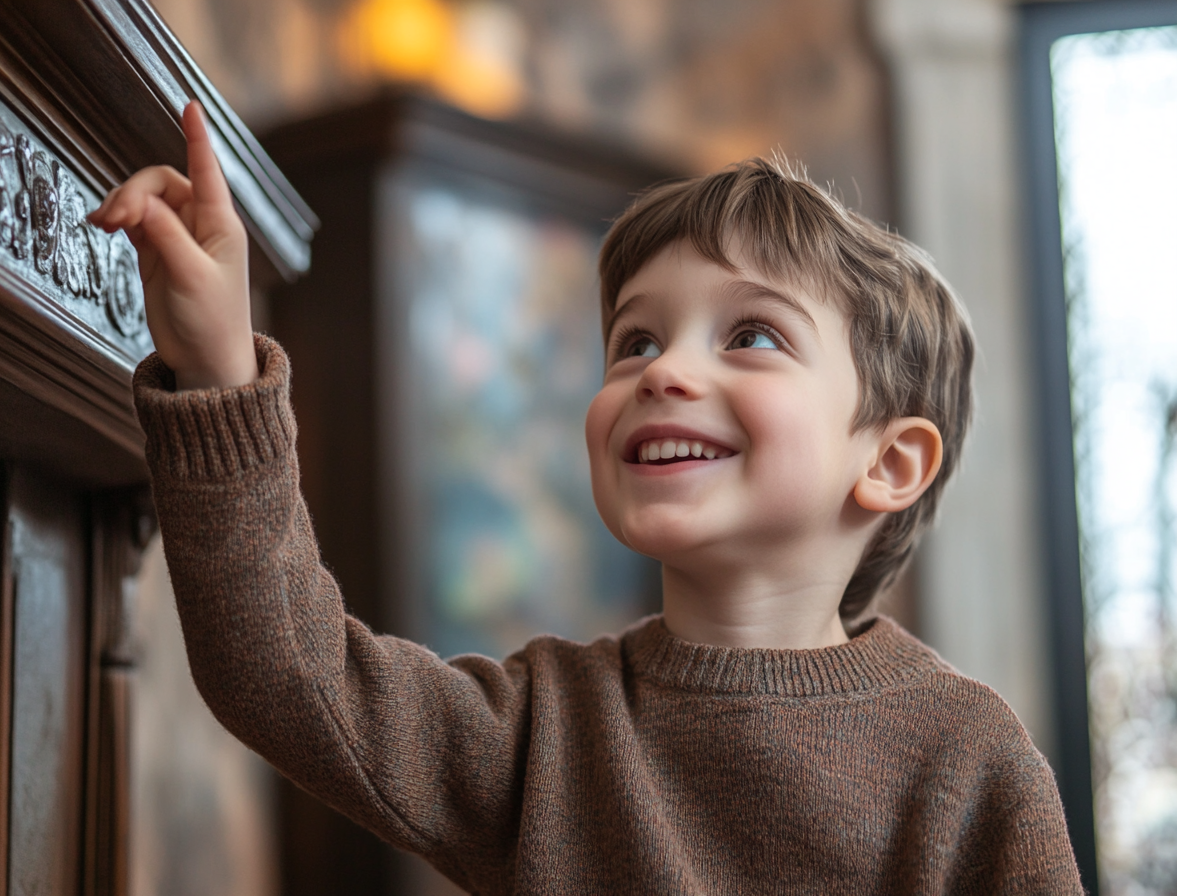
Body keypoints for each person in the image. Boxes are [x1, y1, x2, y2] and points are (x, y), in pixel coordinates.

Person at [89, 101, 1084, 894]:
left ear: (891, 463)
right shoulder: (544, 727)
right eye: (637, 341)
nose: (663, 371)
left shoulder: (970, 760)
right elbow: (283, 671)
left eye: (752, 335)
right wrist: (218, 363)